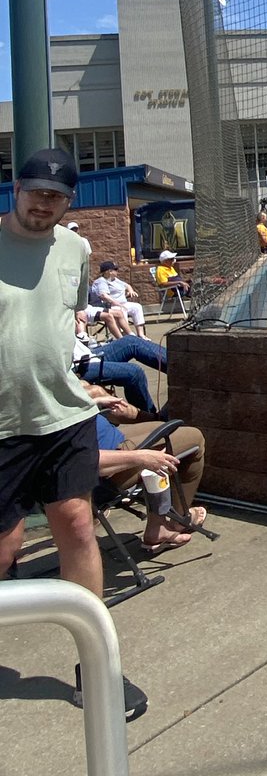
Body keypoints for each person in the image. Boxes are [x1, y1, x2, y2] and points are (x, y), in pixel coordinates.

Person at [0, 148, 101, 594]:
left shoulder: (77, 248)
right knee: (5, 548)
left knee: (78, 527)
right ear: (16, 189)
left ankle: (96, 662)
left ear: (69, 202)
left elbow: (66, 317)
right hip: (5, 423)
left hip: (64, 414)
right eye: (36, 192)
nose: (43, 203)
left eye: (55, 197)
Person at [86, 388, 207, 555]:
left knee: (162, 427)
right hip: (110, 462)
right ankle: (179, 520)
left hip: (108, 437)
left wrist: (93, 402)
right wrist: (140, 457)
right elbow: (84, 462)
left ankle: (157, 525)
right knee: (195, 438)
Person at [73, 328, 168, 416]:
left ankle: (179, 365)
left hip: (85, 353)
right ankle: (150, 417)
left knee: (131, 341)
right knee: (133, 372)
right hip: (76, 367)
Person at [90, 260, 147, 337]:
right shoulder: (101, 281)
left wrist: (131, 291)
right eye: (116, 270)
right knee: (121, 310)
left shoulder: (115, 280)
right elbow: (104, 296)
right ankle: (126, 335)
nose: (117, 271)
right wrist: (117, 303)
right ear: (109, 271)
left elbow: (127, 285)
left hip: (123, 303)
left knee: (137, 307)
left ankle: (141, 334)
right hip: (110, 306)